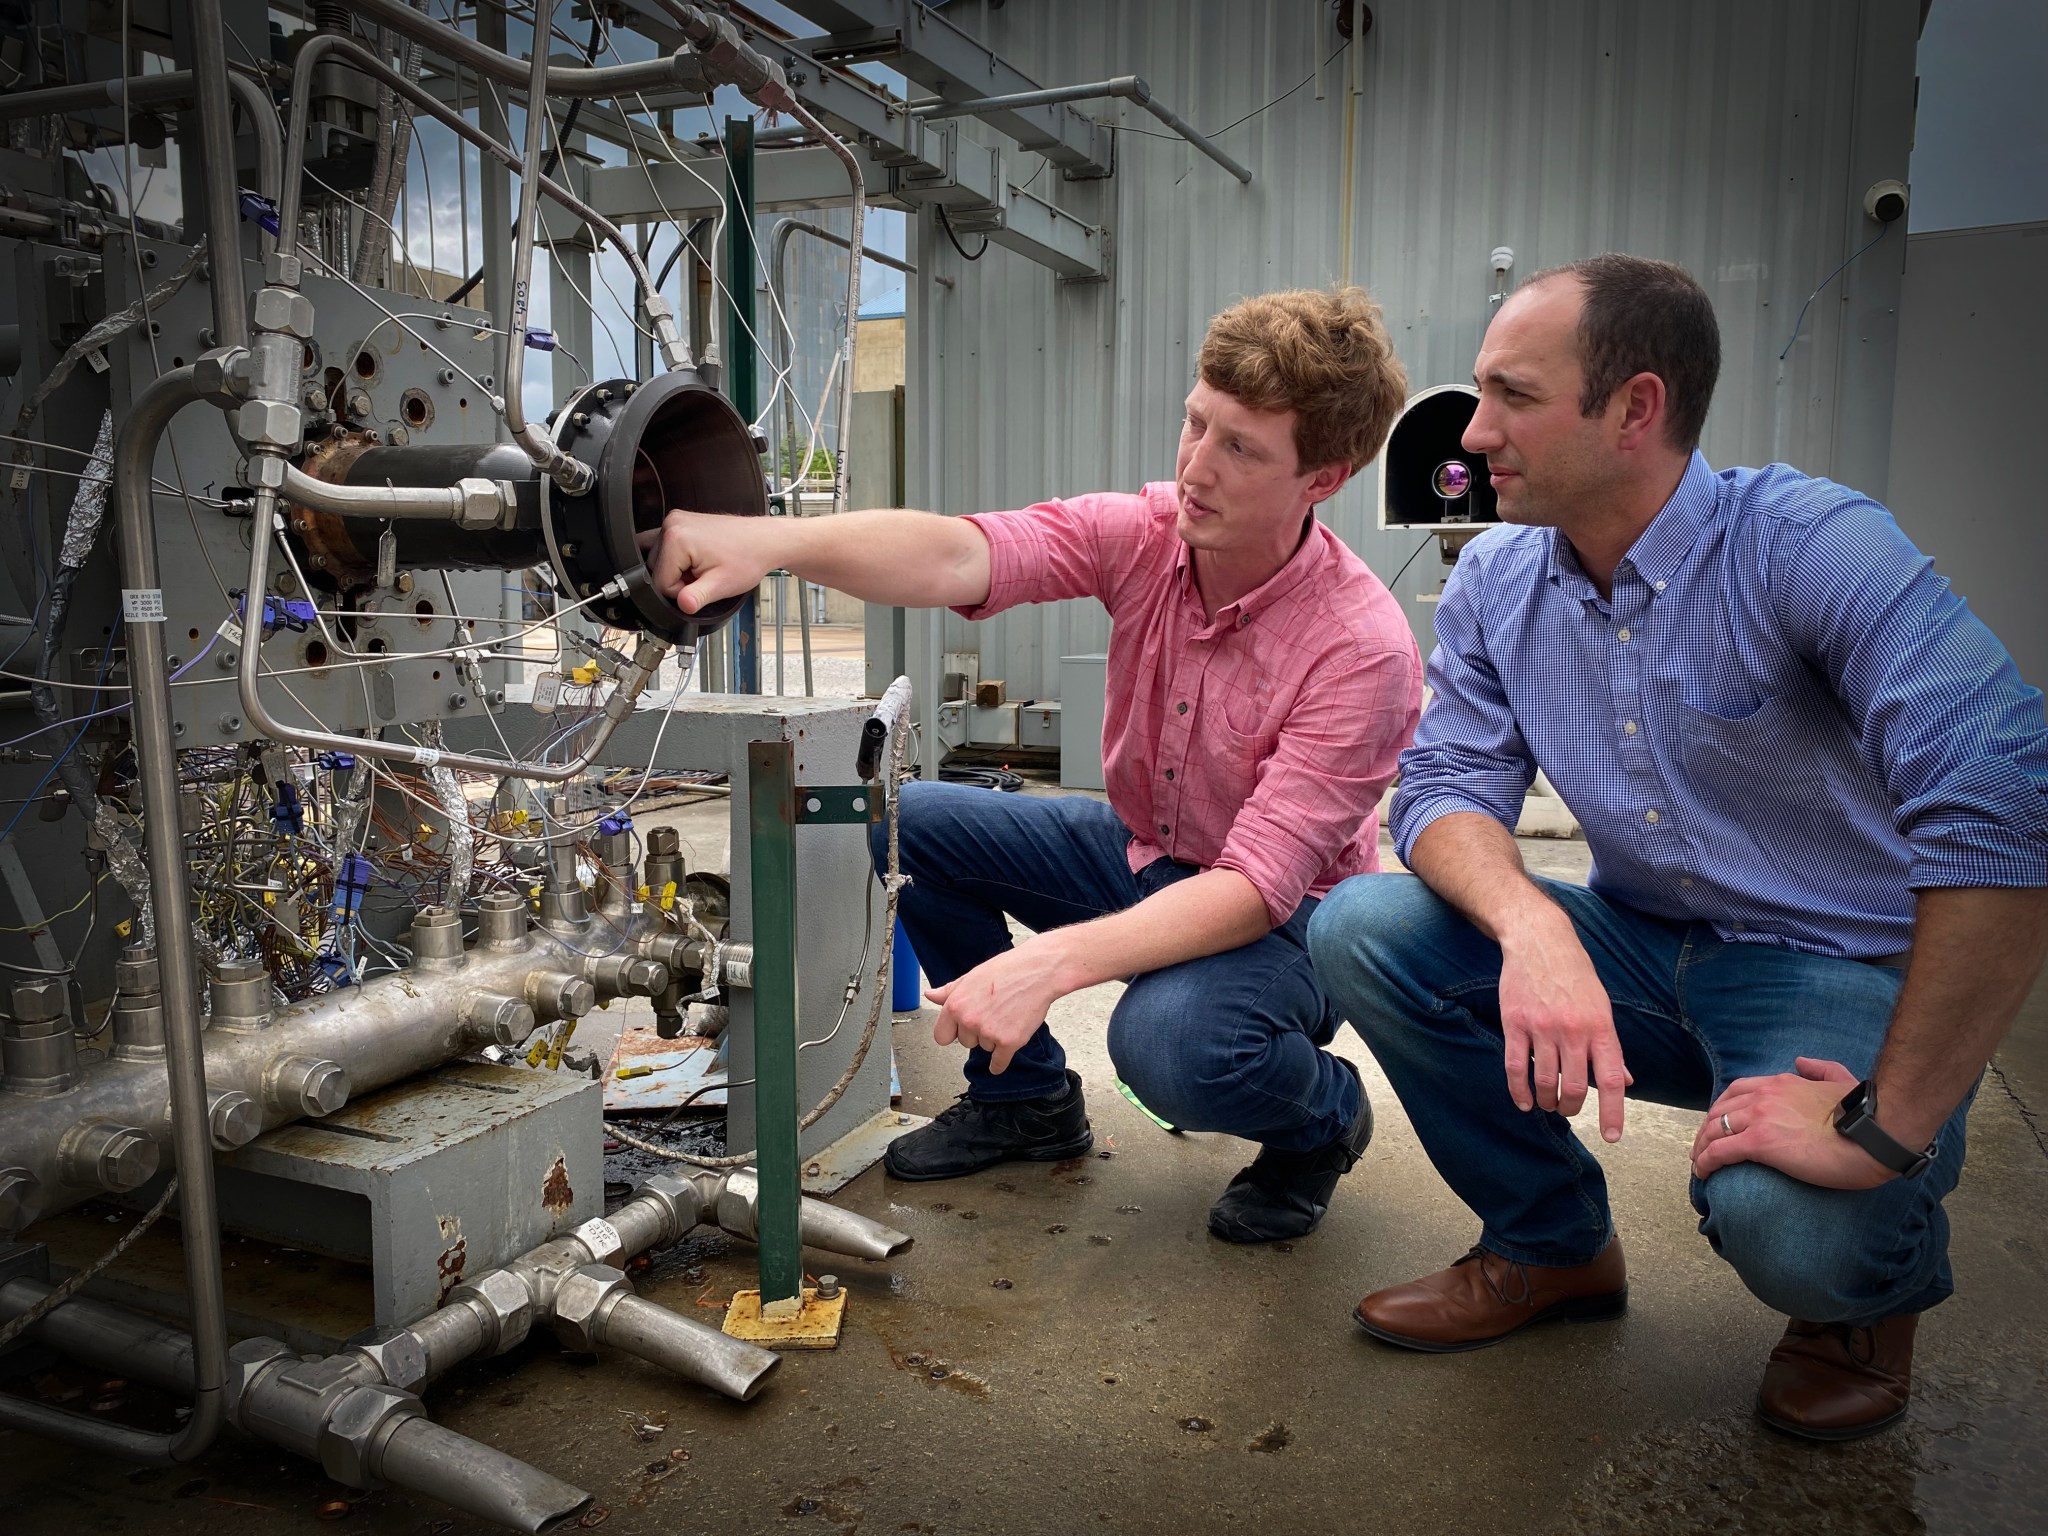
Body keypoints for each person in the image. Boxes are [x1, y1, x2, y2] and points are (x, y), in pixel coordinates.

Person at [1306, 253, 2048, 1439]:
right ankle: (1551, 1249)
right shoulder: (1496, 577)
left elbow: (2005, 796)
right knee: (1364, 927)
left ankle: (1859, 1304)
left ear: (1634, 409)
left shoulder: (1804, 544)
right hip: (1642, 944)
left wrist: (1884, 1124)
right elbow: (1440, 786)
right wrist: (1531, 922)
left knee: (1793, 1229)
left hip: (1835, 963)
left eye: (1512, 395)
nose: (1472, 428)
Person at [651, 287, 1422, 1242]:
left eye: (1241, 449)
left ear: (1323, 479)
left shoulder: (1360, 648)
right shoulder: (1148, 535)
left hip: (1290, 922)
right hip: (1144, 850)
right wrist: (768, 544)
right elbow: (959, 554)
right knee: (905, 816)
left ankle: (1325, 1118)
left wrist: (1046, 966)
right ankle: (1028, 1100)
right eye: (1196, 424)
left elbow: (1256, 887)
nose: (1196, 467)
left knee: (1170, 1044)